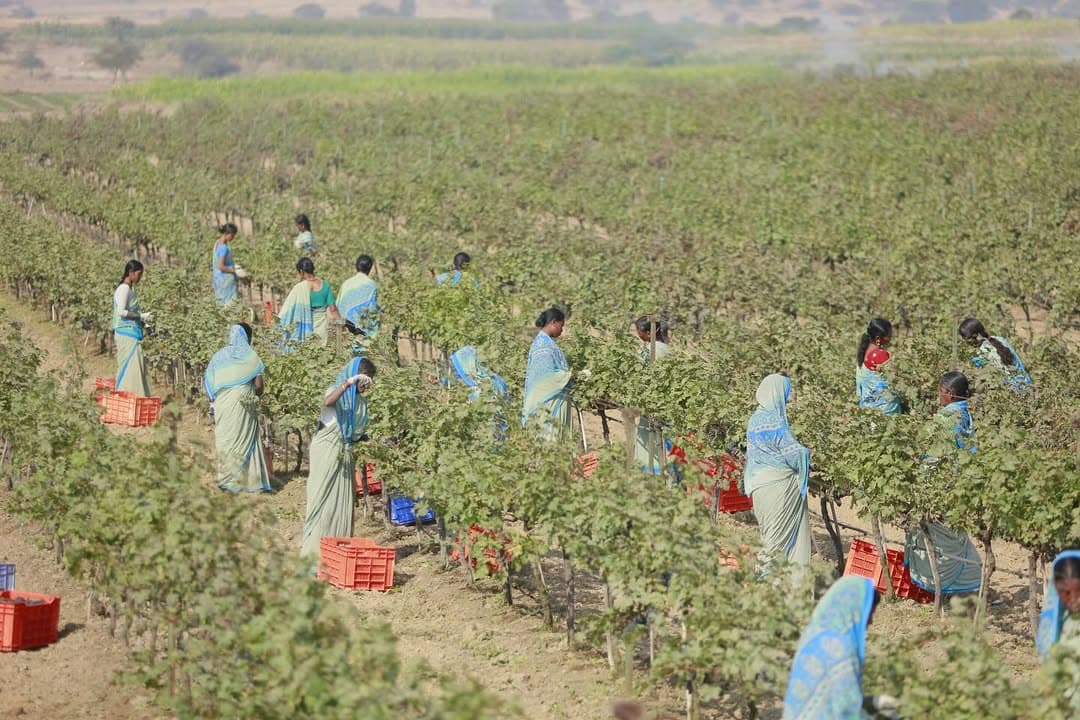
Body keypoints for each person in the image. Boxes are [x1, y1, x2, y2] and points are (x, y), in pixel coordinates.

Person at [905, 372, 982, 596]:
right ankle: (967, 579)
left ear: (951, 394)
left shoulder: (947, 418)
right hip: (955, 480)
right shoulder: (965, 414)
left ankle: (945, 584)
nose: (939, 395)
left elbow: (932, 452)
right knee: (951, 532)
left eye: (941, 391)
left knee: (937, 530)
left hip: (938, 482)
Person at [782, 577, 895, 720]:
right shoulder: (841, 648)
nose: (871, 621)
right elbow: (846, 710)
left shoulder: (814, 635)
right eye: (868, 613)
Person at [301, 357, 377, 564]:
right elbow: (328, 402)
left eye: (369, 381)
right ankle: (313, 555)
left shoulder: (361, 404)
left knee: (341, 503)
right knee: (321, 500)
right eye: (364, 379)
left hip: (345, 454)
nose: (366, 385)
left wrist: (369, 439)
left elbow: (356, 433)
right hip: (325, 451)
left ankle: (334, 556)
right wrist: (349, 383)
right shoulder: (336, 392)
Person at [743, 374, 811, 568]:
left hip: (759, 486)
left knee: (770, 536)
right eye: (786, 393)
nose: (787, 398)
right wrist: (807, 452)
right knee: (777, 543)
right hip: (778, 488)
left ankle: (772, 581)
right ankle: (768, 582)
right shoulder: (774, 421)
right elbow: (793, 454)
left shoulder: (754, 419)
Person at [204, 323, 270, 493]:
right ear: (247, 338)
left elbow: (209, 384)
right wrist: (250, 391)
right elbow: (259, 386)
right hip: (243, 403)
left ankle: (227, 479)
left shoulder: (218, 356)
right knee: (245, 438)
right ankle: (250, 482)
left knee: (226, 439)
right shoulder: (251, 356)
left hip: (222, 404)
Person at [522, 307, 573, 440]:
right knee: (549, 440)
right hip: (548, 403)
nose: (562, 330)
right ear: (553, 322)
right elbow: (548, 377)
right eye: (561, 325)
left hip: (554, 400)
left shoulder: (548, 343)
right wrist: (572, 375)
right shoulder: (543, 345)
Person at [634, 316, 671, 474]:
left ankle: (652, 477)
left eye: (639, 332)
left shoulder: (648, 351)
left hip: (651, 406)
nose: (638, 335)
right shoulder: (667, 349)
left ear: (649, 333)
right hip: (667, 405)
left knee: (649, 444)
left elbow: (637, 376)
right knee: (665, 444)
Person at [278, 257, 340, 348]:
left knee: (306, 351)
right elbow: (333, 309)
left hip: (305, 328)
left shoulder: (299, 288)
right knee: (321, 350)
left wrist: (278, 323)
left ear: (301, 271)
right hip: (322, 327)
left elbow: (288, 308)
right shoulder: (325, 285)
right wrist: (341, 323)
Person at [112, 259, 152, 397]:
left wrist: (144, 322)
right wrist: (140, 316)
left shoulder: (130, 289)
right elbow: (121, 312)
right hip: (125, 333)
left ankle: (135, 396)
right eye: (139, 274)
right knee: (131, 366)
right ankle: (128, 395)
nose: (140, 277)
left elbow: (131, 311)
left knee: (136, 365)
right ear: (131, 273)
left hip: (132, 332)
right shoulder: (124, 289)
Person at [959, 317, 1032, 391]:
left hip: (1012, 391)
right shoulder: (1000, 340)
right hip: (1027, 384)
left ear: (973, 337)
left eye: (965, 338)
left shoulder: (979, 355)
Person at [854, 318, 901, 415]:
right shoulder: (879, 355)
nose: (890, 338)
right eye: (889, 336)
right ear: (878, 339)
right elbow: (895, 377)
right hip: (884, 408)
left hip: (868, 407)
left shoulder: (864, 351)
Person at [338, 254, 380, 352]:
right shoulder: (371, 285)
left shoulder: (346, 283)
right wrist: (374, 332)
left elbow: (339, 305)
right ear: (370, 267)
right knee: (361, 354)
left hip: (345, 326)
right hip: (361, 329)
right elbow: (372, 309)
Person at [212, 223, 240, 305]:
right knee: (229, 304)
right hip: (225, 280)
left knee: (220, 302)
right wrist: (234, 270)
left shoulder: (217, 243)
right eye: (232, 235)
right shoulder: (223, 248)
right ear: (226, 233)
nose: (233, 238)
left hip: (218, 279)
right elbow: (221, 266)